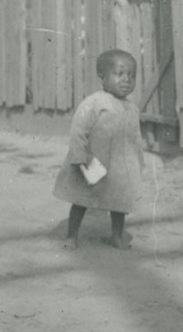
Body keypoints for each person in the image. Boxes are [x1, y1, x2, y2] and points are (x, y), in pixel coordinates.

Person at [53, 49, 146, 249]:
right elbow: (78, 131)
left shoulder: (132, 108)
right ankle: (72, 235)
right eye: (119, 74)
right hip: (93, 160)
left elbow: (135, 138)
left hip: (120, 167)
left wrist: (139, 160)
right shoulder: (94, 102)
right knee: (82, 198)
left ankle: (117, 236)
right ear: (102, 77)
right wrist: (79, 156)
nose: (126, 80)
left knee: (119, 202)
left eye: (131, 75)